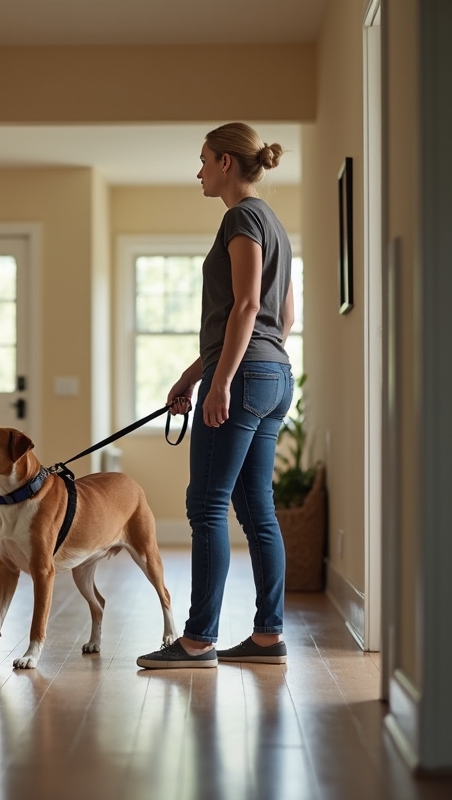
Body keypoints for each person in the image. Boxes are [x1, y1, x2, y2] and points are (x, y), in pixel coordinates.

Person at [137, 122, 295, 669]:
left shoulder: (242, 217)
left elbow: (246, 307)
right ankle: (268, 637)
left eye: (203, 159)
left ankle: (198, 640)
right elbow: (283, 317)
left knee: (206, 506)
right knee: (257, 510)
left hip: (246, 377)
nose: (198, 170)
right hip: (274, 376)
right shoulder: (275, 225)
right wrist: (193, 374)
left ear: (227, 162)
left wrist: (221, 381)